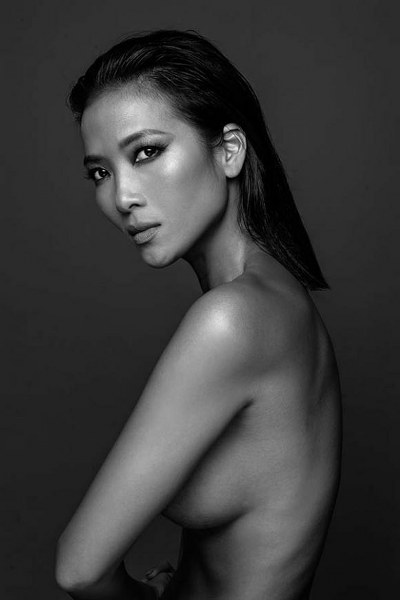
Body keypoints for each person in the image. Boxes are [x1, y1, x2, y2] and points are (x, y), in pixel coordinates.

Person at [55, 30, 342, 600]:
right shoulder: (276, 305)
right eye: (100, 172)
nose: (122, 197)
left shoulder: (232, 320)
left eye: (146, 152)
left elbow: (79, 570)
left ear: (229, 150)